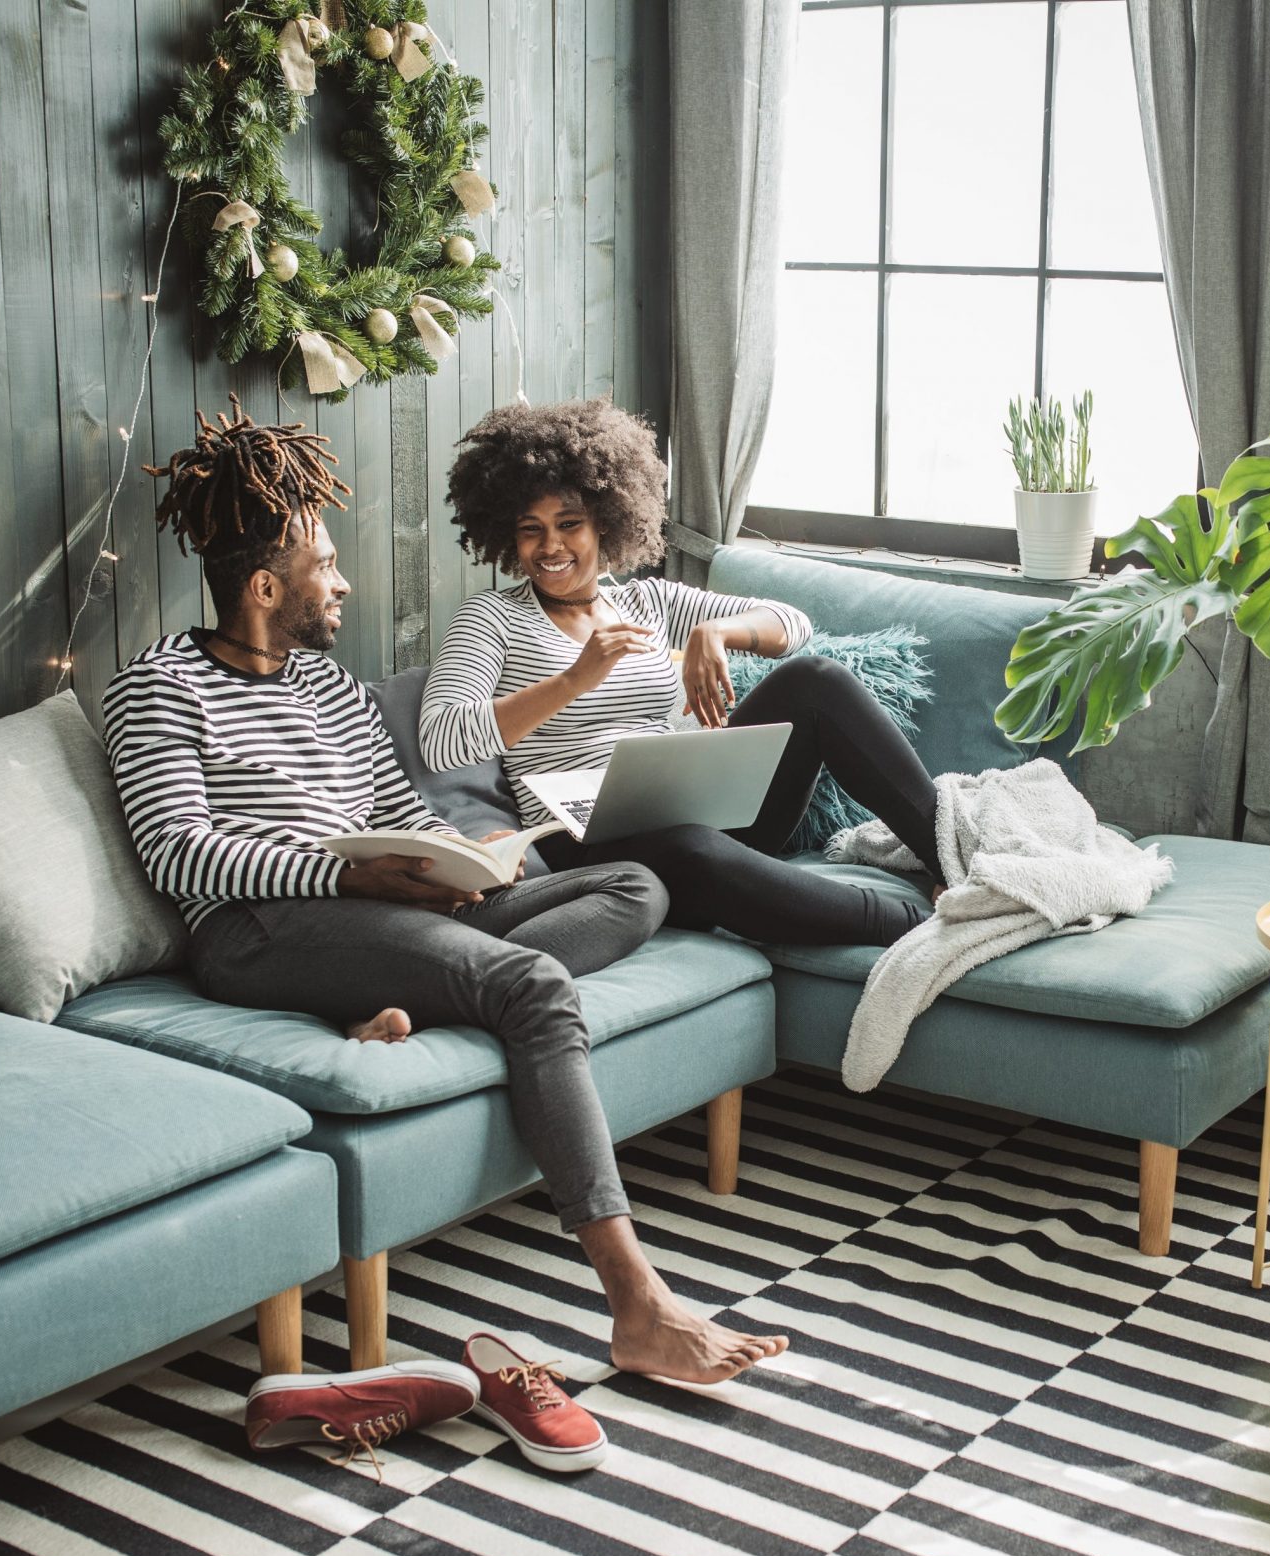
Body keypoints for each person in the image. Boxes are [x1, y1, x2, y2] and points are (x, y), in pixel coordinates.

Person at [103, 399, 786, 1386]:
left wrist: (463, 853)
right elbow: (179, 853)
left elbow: (393, 804)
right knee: (533, 989)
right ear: (262, 585)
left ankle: (425, 993)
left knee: (634, 886)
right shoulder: (162, 685)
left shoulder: (332, 690)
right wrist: (346, 872)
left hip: (383, 905)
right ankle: (641, 1306)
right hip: (264, 929)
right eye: (323, 566)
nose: (341, 582)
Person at [424, 398, 945, 947]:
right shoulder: (492, 618)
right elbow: (441, 740)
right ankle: (921, 927)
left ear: (606, 522)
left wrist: (716, 632)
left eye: (569, 524)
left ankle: (953, 864)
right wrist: (574, 679)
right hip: (596, 847)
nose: (550, 546)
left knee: (815, 681)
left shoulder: (648, 602)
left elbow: (793, 624)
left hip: (700, 814)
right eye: (531, 530)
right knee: (688, 846)